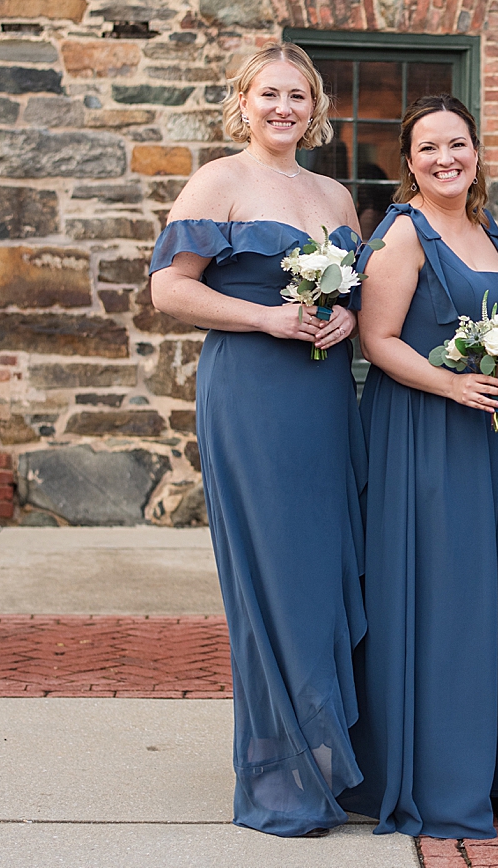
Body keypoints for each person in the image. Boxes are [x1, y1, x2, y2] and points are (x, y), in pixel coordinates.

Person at [149, 42, 366, 837]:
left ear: (316, 108)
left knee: (328, 565)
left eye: (298, 95)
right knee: (272, 573)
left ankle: (330, 754)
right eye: (269, 93)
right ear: (242, 102)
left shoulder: (336, 194)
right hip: (251, 390)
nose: (284, 108)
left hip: (323, 392)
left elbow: (356, 290)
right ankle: (280, 775)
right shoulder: (219, 181)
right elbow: (170, 289)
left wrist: (345, 317)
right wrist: (267, 317)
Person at [340, 96, 498, 838]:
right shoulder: (402, 234)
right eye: (428, 149)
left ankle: (477, 765)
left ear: (477, 151)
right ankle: (430, 777)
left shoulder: (488, 227)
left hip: (491, 437)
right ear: (408, 163)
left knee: (481, 598)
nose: (446, 159)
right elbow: (374, 339)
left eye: (458, 145)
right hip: (423, 432)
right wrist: (451, 384)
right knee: (440, 601)